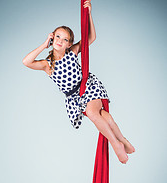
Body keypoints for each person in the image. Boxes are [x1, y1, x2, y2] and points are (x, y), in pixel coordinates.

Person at [22, 0, 135, 164]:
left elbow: (91, 37)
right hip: (75, 98)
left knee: (93, 114)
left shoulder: (71, 52)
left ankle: (117, 145)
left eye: (66, 39)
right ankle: (124, 141)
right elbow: (26, 61)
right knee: (105, 117)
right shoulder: (47, 65)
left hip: (87, 86)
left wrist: (88, 14)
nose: (61, 41)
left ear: (69, 44)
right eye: (58, 36)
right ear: (52, 38)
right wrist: (44, 44)